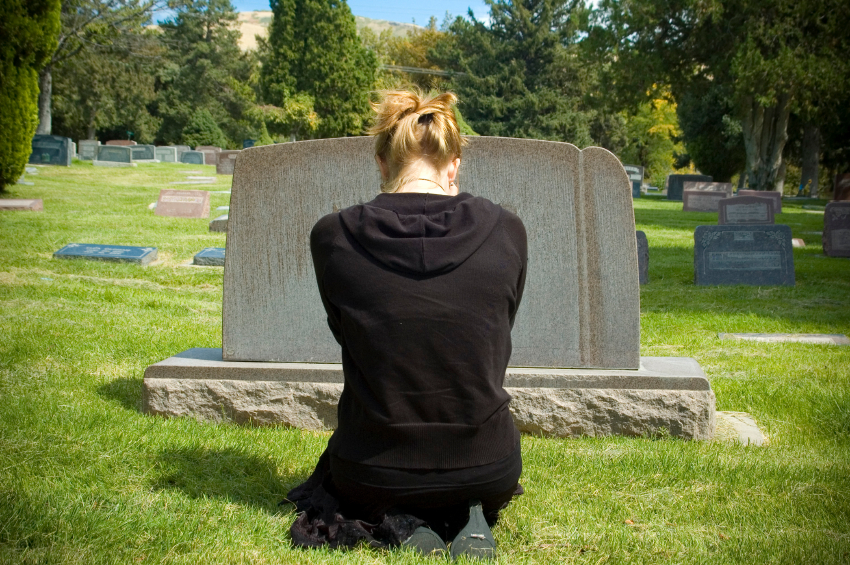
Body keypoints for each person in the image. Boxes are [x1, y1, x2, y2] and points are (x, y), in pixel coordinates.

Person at [286, 89, 528, 559]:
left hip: (370, 468)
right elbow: (497, 329)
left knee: (371, 484)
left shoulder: (331, 236)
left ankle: (404, 519)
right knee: (468, 479)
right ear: (453, 163)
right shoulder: (508, 230)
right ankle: (465, 510)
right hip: (490, 465)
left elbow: (349, 333)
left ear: (381, 162)